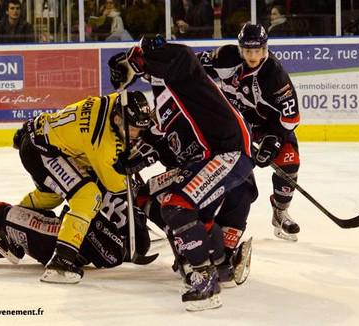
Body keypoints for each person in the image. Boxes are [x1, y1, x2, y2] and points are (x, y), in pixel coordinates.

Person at [108, 36, 254, 311]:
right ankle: (211, 259)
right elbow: (157, 135)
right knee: (150, 196)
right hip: (206, 160)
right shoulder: (164, 96)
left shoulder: (187, 76)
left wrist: (136, 57)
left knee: (179, 204)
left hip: (229, 153)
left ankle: (205, 277)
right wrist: (134, 158)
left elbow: (182, 56)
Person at [13, 91, 152, 284]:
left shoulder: (117, 103)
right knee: (88, 196)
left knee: (52, 197)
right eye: (133, 129)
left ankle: (11, 222)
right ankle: (61, 262)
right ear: (118, 119)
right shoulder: (101, 143)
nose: (136, 134)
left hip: (44, 139)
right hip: (41, 152)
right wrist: (134, 179)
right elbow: (114, 185)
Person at [197, 23, 301, 241]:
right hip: (233, 124)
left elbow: (291, 118)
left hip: (267, 127)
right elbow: (191, 64)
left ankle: (280, 212)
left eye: (258, 50)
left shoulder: (274, 74)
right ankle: (208, 211)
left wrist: (273, 140)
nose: (253, 56)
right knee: (226, 168)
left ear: (265, 49)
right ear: (240, 49)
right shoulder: (225, 57)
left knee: (289, 161)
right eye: (248, 51)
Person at [0, 180, 154, 269]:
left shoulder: (109, 180)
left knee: (5, 214)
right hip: (66, 237)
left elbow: (116, 253)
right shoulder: (127, 198)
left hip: (61, 238)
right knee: (13, 226)